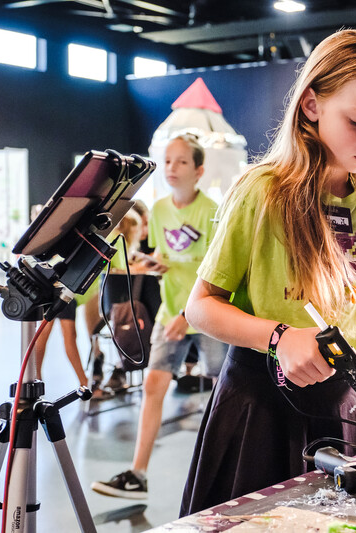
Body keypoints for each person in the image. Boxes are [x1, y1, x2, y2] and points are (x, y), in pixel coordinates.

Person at [178, 29, 356, 516]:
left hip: (340, 407)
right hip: (260, 408)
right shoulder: (263, 191)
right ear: (312, 105)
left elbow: (346, 314)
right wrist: (280, 338)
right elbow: (201, 307)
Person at [91, 134, 227, 500]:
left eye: (181, 161)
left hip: (209, 312)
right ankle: (138, 474)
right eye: (167, 161)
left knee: (224, 392)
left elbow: (218, 274)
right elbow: (171, 259)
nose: (171, 168)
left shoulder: (213, 211)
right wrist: (154, 265)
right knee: (153, 385)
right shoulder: (161, 210)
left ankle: (225, 477)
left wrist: (188, 314)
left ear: (199, 171)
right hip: (171, 313)